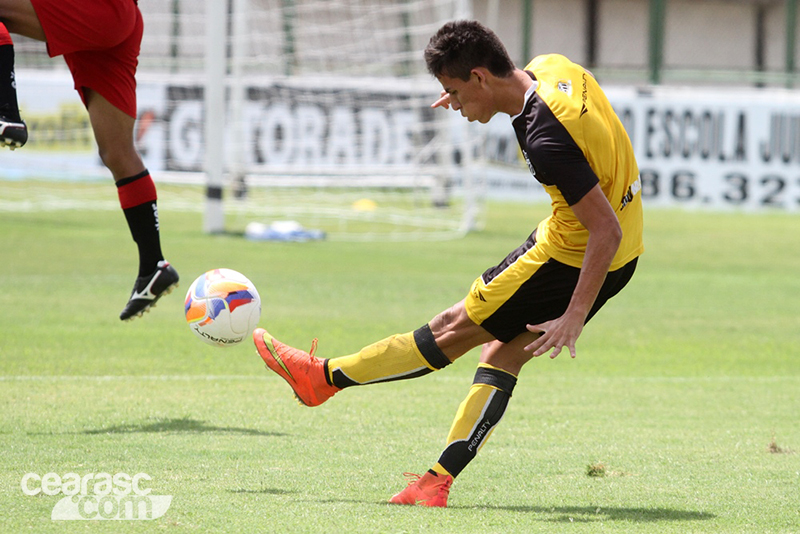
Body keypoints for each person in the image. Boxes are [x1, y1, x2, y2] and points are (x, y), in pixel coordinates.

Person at [253, 19, 644, 507]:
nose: (453, 104)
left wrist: (575, 315)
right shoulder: (552, 69)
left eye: (455, 92)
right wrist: (461, 94)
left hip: (579, 254)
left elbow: (603, 229)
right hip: (619, 255)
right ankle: (436, 482)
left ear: (481, 76)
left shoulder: (545, 139)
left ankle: (322, 379)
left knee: (452, 327)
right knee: (499, 354)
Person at [0, 0, 178, 320]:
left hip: (99, 10)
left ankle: (6, 114)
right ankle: (154, 265)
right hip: (122, 19)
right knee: (118, 152)